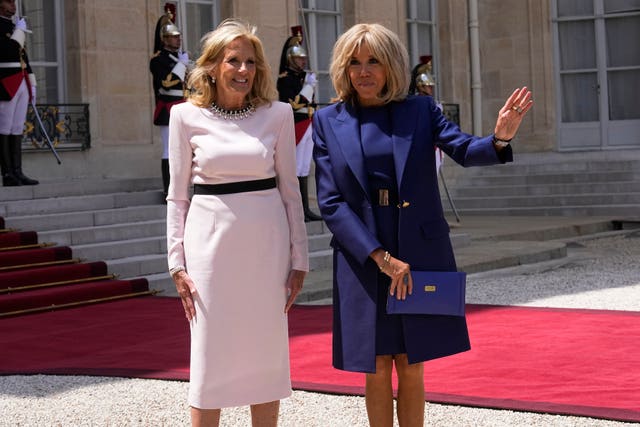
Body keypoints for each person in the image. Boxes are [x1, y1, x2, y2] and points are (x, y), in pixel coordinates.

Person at [312, 23, 532, 426]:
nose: (363, 71)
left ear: (391, 64)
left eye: (373, 61)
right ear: (342, 68)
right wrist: (381, 258)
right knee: (376, 365)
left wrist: (498, 140)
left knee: (412, 362)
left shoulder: (420, 109)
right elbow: (330, 201)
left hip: (419, 250)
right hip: (364, 258)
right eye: (354, 62)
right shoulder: (327, 120)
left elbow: (464, 149)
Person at [166, 18, 309, 427]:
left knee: (265, 354)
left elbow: (290, 191)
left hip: (267, 248)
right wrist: (176, 262)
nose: (243, 70)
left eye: (250, 62)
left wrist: (300, 257)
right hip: (209, 248)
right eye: (233, 61)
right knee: (210, 355)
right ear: (212, 66)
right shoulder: (184, 117)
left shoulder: (278, 115)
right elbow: (177, 196)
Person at [276, 26, 321, 221]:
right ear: (290, 59)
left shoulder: (304, 78)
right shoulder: (285, 79)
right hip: (296, 123)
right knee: (294, 168)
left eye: (303, 58)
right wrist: (309, 87)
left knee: (304, 168)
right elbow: (294, 103)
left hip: (308, 121)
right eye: (299, 58)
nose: (303, 61)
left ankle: (305, 209)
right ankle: (294, 209)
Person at [149, 3, 188, 199]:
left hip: (184, 105)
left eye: (179, 36)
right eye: (174, 36)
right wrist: (181, 66)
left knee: (185, 150)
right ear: (165, 39)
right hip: (168, 108)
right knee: (169, 149)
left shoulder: (179, 58)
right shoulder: (158, 60)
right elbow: (166, 83)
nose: (178, 38)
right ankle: (169, 189)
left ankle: (183, 187)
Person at [0, 0, 38, 186]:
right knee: (5, 127)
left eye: (14, 2)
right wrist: (19, 32)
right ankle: (7, 174)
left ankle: (18, 171)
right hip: (6, 80)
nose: (13, 6)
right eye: (8, 2)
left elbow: (24, 56)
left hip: (21, 79)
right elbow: (7, 50)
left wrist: (32, 81)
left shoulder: (15, 26)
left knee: (17, 127)